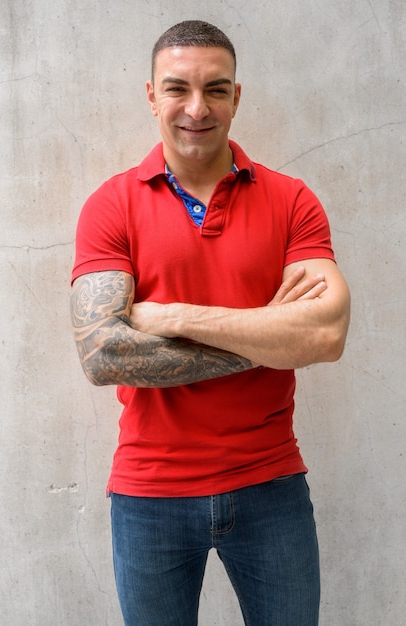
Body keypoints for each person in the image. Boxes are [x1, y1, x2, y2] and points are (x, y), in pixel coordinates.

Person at [70, 19, 350, 626]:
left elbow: (325, 335)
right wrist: (272, 337)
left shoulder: (292, 200)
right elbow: (104, 356)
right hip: (150, 492)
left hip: (271, 483)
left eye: (216, 90)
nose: (197, 108)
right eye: (177, 89)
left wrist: (171, 316)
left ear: (236, 96)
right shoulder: (111, 205)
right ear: (151, 95)